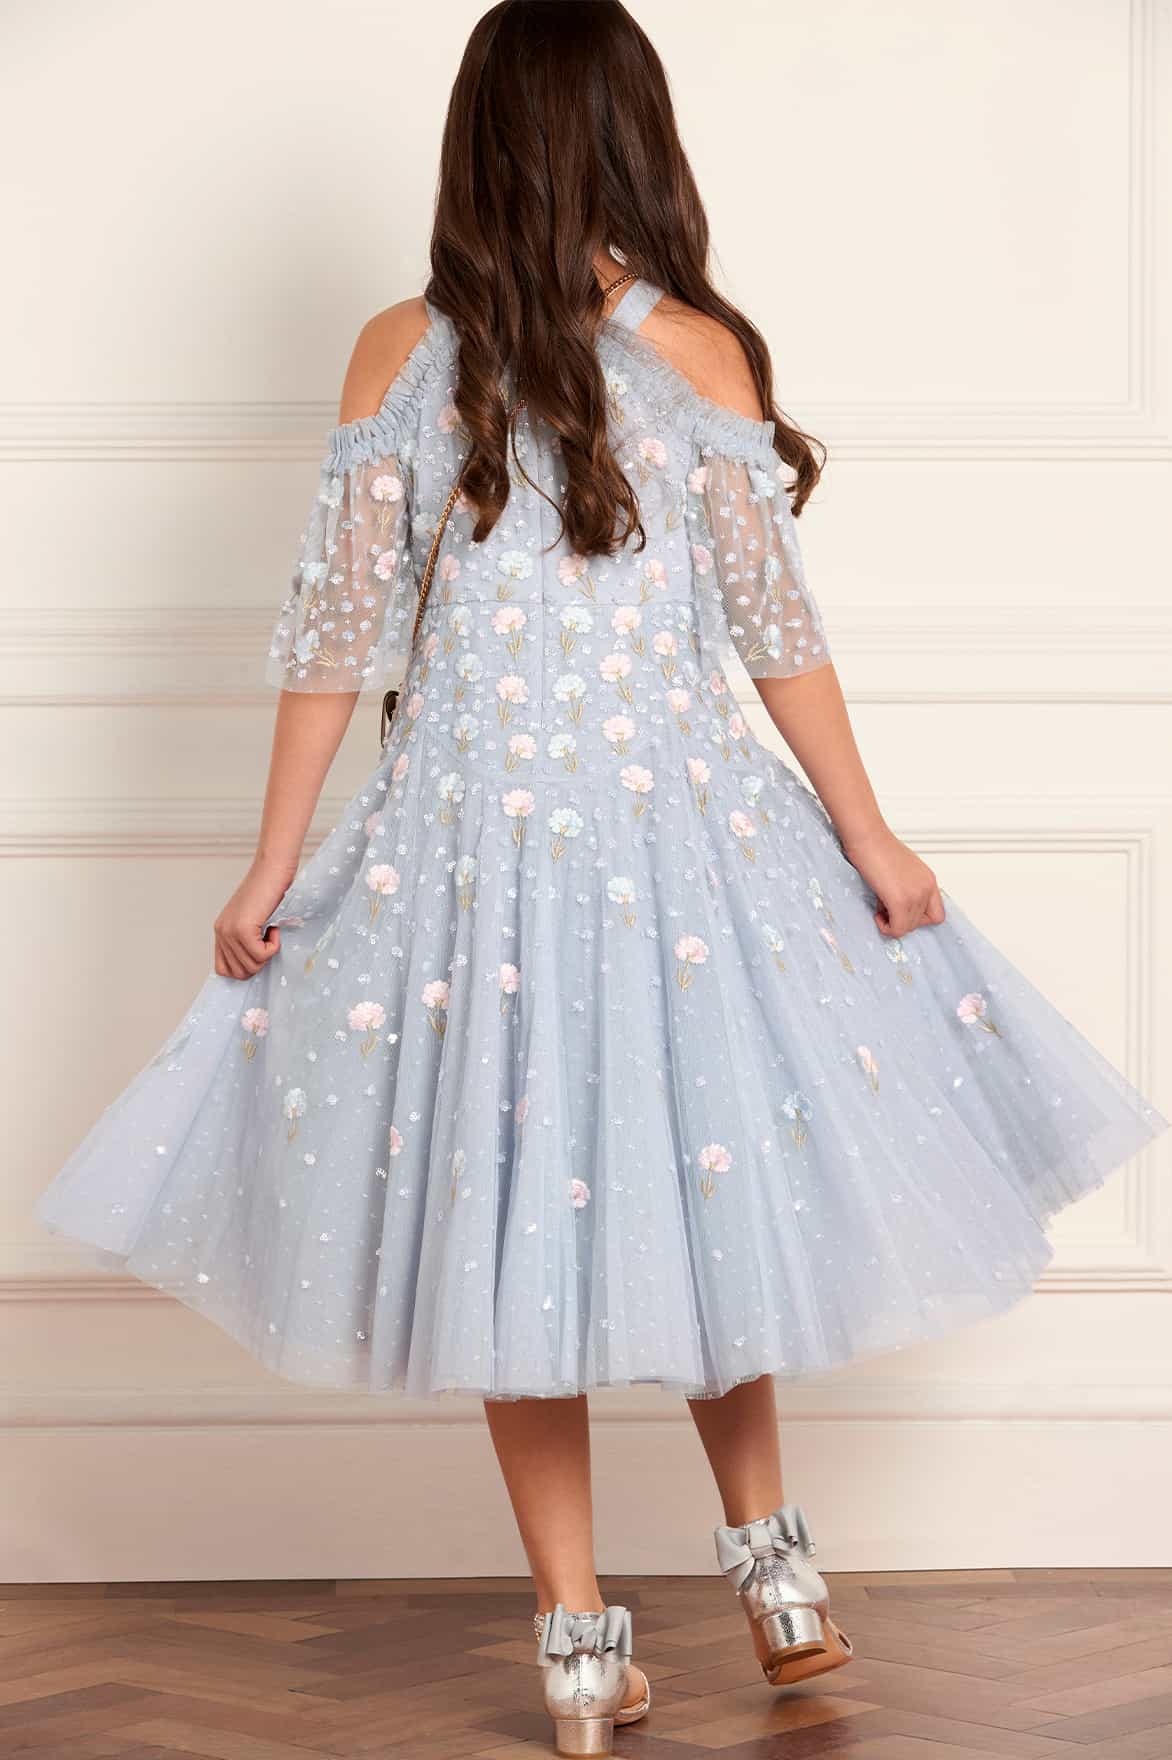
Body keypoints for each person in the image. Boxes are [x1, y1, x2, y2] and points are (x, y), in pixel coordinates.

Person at [35, 3, 1167, 1755]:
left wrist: (272, 867)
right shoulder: (697, 351)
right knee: (718, 1188)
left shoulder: (399, 352)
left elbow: (336, 639)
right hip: (679, 846)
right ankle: (777, 1576)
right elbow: (775, 631)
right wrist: (868, 835)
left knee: (509, 1229)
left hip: (468, 865)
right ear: (639, 139)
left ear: (474, 142)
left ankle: (576, 1644)